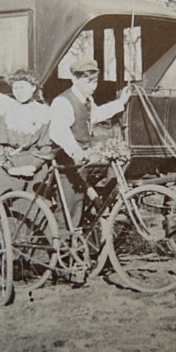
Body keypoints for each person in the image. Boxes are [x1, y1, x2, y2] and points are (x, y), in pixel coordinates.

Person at [49, 58, 131, 228]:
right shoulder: (63, 101)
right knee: (69, 209)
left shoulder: (86, 100)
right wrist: (76, 152)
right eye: (88, 81)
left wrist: (121, 102)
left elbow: (96, 115)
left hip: (84, 158)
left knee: (113, 168)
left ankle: (101, 213)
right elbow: (59, 131)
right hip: (68, 160)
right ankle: (62, 249)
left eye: (95, 81)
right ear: (74, 79)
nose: (93, 86)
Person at [0, 68, 52, 196]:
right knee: (2, 196)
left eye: (23, 88)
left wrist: (33, 166)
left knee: (35, 205)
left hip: (35, 165)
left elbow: (46, 146)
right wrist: (10, 168)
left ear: (33, 87)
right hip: (9, 164)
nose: (19, 92)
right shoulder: (6, 111)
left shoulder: (43, 112)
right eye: (16, 88)